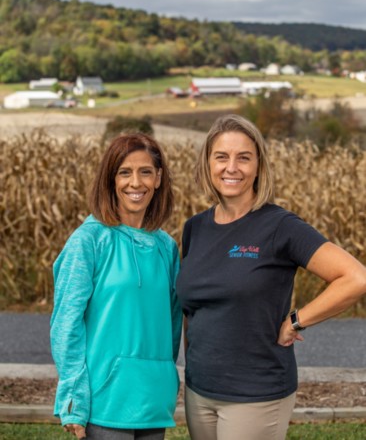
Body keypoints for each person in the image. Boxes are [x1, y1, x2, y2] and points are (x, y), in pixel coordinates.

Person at [176, 114, 366, 440]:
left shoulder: (280, 226)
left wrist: (296, 320)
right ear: (207, 164)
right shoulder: (196, 228)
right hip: (200, 390)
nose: (231, 167)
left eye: (244, 158)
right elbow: (192, 309)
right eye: (221, 157)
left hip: (256, 392)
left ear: (259, 166)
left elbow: (355, 277)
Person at [50, 133, 182, 440]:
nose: (135, 183)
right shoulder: (89, 241)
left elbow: (173, 326)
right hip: (104, 402)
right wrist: (73, 398)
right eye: (125, 172)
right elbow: (65, 325)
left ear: (158, 178)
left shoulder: (167, 247)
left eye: (145, 171)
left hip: (152, 401)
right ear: (111, 180)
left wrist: (166, 379)